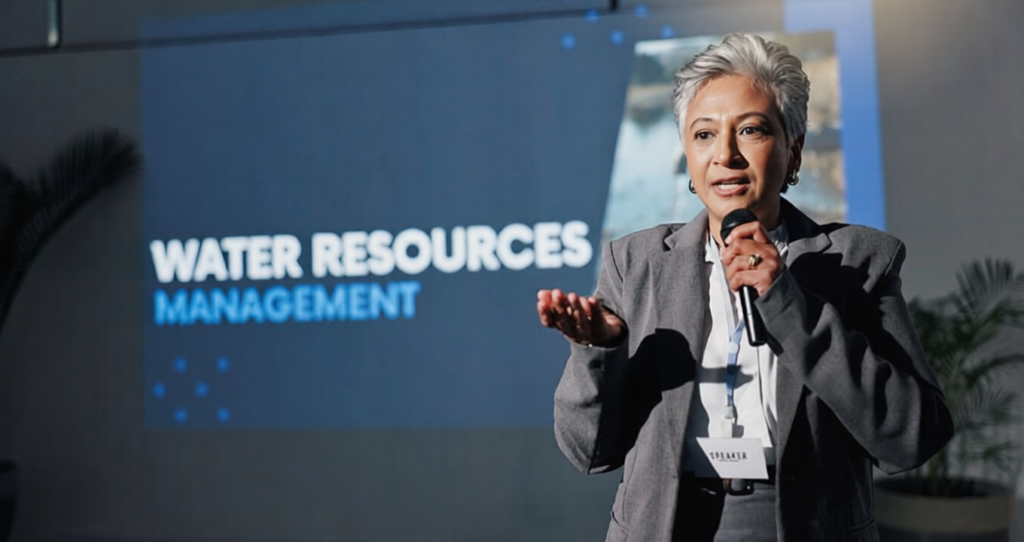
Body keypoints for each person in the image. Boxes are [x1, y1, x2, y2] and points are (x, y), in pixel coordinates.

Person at [536, 33, 953, 542]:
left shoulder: (859, 262)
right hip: (666, 525)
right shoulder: (635, 263)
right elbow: (588, 452)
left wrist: (788, 304)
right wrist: (598, 351)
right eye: (704, 134)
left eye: (751, 130)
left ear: (794, 150)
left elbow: (912, 438)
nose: (725, 154)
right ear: (687, 157)